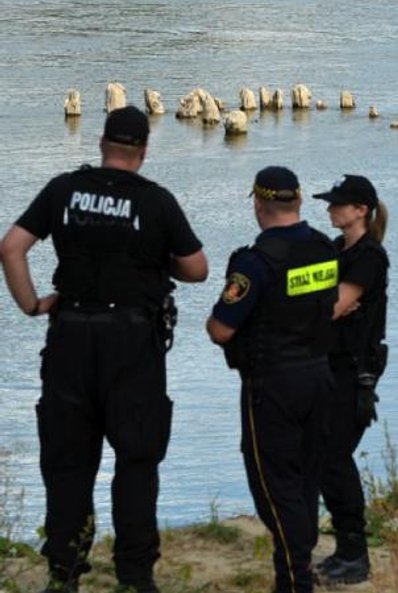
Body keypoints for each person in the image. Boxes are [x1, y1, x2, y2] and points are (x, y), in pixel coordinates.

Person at [0, 106, 208, 593]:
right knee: (136, 460)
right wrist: (157, 263)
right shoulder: (155, 201)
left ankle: (64, 573)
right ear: (143, 151)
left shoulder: (63, 190)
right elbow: (196, 268)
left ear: (101, 144)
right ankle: (135, 576)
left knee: (68, 462)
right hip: (132, 342)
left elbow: (11, 248)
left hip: (70, 333)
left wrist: (32, 304)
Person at [206, 166, 338, 593]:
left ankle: (297, 577)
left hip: (272, 383)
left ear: (259, 205)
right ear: (298, 202)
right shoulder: (324, 249)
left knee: (272, 485)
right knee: (305, 479)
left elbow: (220, 329)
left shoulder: (255, 262)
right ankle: (290, 572)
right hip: (320, 376)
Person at [310, 174, 389, 585]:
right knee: (326, 457)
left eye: (339, 204)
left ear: (361, 210)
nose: (330, 209)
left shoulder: (369, 256)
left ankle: (356, 553)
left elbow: (336, 306)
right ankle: (345, 549)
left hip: (353, 371)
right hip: (329, 366)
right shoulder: (337, 249)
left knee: (335, 457)